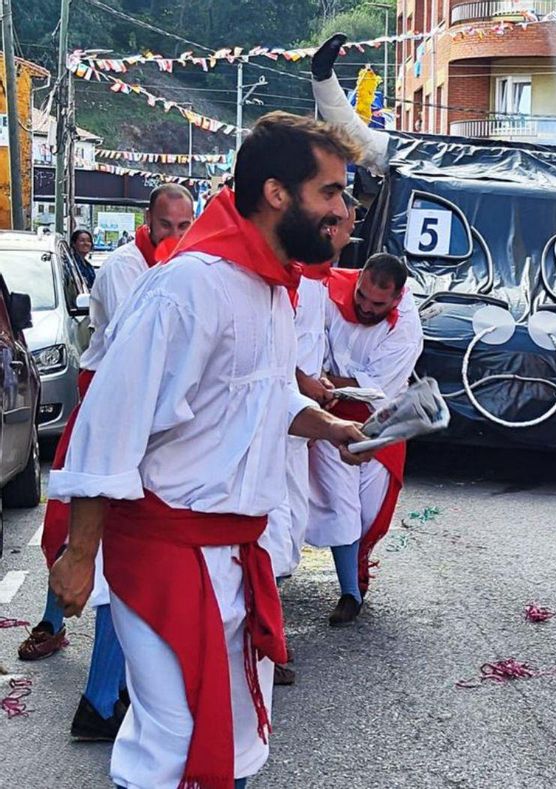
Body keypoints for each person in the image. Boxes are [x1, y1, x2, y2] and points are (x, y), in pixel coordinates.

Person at [47, 112, 373, 789]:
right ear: (278, 192)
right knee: (171, 738)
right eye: (332, 193)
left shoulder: (275, 289)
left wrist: (331, 426)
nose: (342, 210)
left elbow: (263, 400)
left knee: (235, 737)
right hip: (167, 554)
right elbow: (109, 423)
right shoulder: (188, 286)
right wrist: (79, 556)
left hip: (235, 554)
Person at [20, 184, 196, 741]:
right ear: (148, 223)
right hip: (113, 402)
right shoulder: (125, 268)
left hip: (141, 410)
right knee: (83, 531)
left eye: (185, 225)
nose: (176, 236)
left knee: (120, 549)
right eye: (167, 225)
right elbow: (141, 348)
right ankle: (87, 677)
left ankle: (103, 694)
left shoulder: (179, 267)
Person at [260, 192, 358, 685]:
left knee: (290, 525)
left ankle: (263, 640)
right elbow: (278, 365)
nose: (344, 236)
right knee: (273, 530)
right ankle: (263, 644)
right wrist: (311, 390)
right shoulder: (282, 277)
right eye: (339, 225)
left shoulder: (320, 281)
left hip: (299, 421)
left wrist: (325, 402)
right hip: (271, 426)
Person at [307, 253, 423, 627]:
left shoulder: (406, 327)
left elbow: (373, 386)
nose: (366, 308)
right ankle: (350, 591)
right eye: (361, 298)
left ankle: (355, 572)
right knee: (341, 505)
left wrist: (326, 381)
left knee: (370, 513)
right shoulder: (327, 290)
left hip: (381, 419)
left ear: (397, 297)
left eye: (378, 304)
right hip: (328, 415)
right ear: (358, 282)